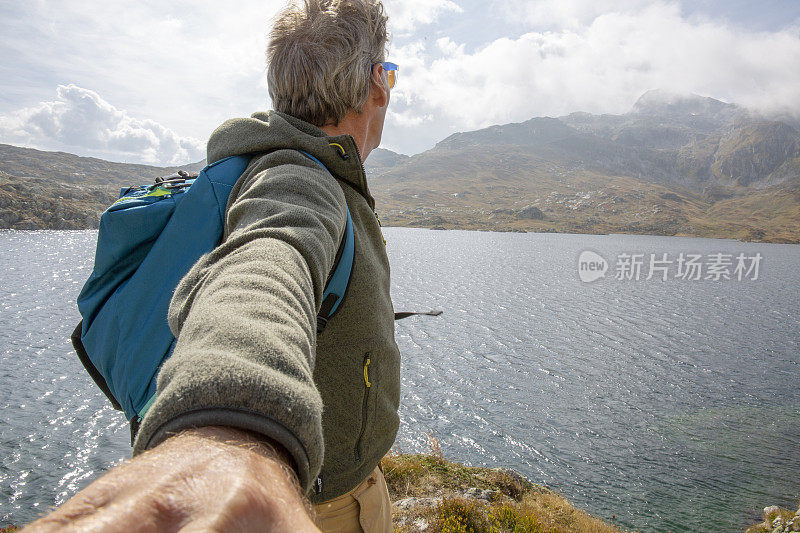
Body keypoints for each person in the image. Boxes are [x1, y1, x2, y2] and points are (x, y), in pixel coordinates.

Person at [24, 0, 400, 531]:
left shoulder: (270, 162)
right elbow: (267, 264)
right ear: (375, 84)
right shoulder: (301, 179)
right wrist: (233, 427)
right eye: (389, 71)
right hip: (321, 502)